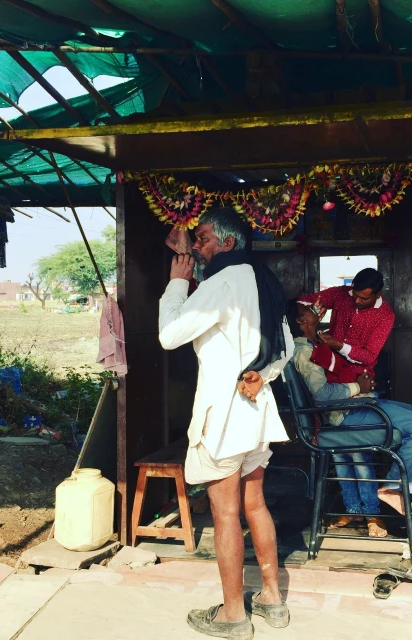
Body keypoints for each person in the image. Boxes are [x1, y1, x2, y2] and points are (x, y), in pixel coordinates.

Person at [159, 208, 294, 640]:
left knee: (226, 514)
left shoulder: (221, 281)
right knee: (255, 504)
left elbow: (169, 335)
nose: (196, 249)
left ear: (227, 244)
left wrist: (178, 281)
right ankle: (271, 597)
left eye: (202, 240)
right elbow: (287, 346)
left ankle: (233, 615)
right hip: (255, 413)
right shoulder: (264, 280)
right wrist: (262, 374)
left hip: (223, 418)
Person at [289, 302, 412, 518]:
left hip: (361, 403)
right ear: (301, 320)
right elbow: (321, 396)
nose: (315, 309)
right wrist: (359, 386)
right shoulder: (304, 351)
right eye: (308, 309)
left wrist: (361, 382)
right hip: (346, 415)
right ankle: (392, 488)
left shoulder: (319, 341)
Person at [298, 267, 394, 384]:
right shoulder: (340, 293)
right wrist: (313, 309)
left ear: (378, 294)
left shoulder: (385, 315)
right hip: (325, 367)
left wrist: (338, 345)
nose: (357, 301)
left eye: (364, 298)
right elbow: (302, 301)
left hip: (357, 377)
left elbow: (369, 356)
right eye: (355, 294)